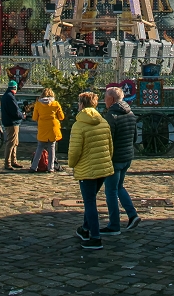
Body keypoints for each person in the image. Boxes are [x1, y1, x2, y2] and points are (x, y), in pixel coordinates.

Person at [68, 91, 114, 250]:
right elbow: (110, 146)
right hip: (103, 167)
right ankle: (85, 228)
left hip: (86, 168)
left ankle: (95, 237)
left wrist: (72, 164)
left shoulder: (79, 125)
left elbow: (74, 151)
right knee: (91, 199)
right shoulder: (103, 122)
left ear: (81, 104)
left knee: (90, 203)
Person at [101, 86, 140, 235]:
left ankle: (114, 225)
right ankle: (132, 215)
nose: (104, 100)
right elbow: (135, 137)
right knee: (119, 187)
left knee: (110, 191)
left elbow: (108, 139)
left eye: (105, 97)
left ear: (111, 99)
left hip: (115, 158)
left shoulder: (112, 116)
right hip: (127, 156)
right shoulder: (130, 113)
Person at [29, 88, 64, 173]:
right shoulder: (55, 104)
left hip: (42, 128)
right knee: (52, 148)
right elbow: (61, 117)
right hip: (53, 128)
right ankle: (50, 168)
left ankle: (34, 167)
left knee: (39, 148)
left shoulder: (38, 104)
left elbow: (34, 117)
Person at [1, 80, 25, 171]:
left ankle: (13, 161)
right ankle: (8, 163)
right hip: (12, 123)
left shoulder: (5, 96)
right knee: (11, 143)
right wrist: (22, 115)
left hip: (9, 122)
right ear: (14, 88)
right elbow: (15, 112)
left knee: (15, 142)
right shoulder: (10, 97)